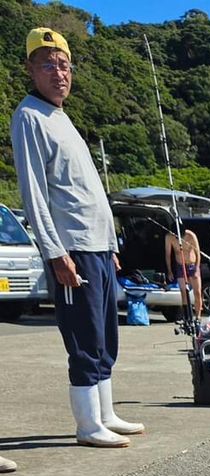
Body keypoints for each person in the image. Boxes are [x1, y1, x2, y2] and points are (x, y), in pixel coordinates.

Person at [10, 27, 146, 448]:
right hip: (71, 247)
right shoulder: (29, 117)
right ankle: (87, 425)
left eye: (64, 64)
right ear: (31, 69)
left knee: (106, 335)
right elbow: (34, 193)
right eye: (47, 64)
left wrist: (112, 247)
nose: (58, 73)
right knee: (84, 338)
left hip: (98, 248)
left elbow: (88, 192)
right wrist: (54, 253)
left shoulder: (64, 119)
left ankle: (105, 413)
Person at [164, 226, 202, 320]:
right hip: (180, 266)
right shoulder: (169, 237)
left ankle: (198, 316)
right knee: (183, 291)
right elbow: (168, 254)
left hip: (191, 264)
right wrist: (169, 271)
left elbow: (198, 253)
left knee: (197, 292)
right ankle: (187, 315)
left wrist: (196, 268)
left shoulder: (191, 236)